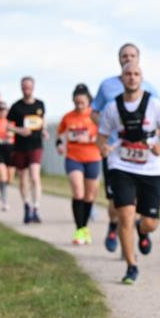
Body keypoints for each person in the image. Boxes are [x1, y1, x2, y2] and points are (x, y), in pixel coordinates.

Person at [97, 61, 160, 285]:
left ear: (141, 79)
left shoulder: (153, 105)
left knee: (150, 222)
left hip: (152, 167)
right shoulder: (112, 107)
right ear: (122, 79)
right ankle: (131, 266)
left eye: (136, 74)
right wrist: (103, 147)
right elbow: (102, 135)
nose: (132, 77)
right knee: (125, 214)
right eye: (128, 74)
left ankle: (142, 232)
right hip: (122, 166)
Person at [91, 43, 160, 254]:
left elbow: (158, 116)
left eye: (132, 55)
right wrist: (106, 132)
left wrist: (155, 141)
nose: (127, 58)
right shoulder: (107, 86)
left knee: (136, 200)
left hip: (140, 152)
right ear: (118, 59)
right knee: (115, 202)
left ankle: (141, 231)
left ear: (139, 58)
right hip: (115, 151)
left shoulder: (148, 86)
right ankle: (114, 226)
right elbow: (94, 111)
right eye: (124, 55)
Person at [57, 84, 101, 245]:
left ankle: (84, 228)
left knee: (90, 196)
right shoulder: (68, 117)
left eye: (82, 102)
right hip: (73, 157)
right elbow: (60, 134)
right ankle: (79, 229)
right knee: (78, 193)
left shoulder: (95, 117)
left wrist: (90, 139)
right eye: (76, 102)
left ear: (89, 101)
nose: (79, 105)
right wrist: (59, 144)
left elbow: (106, 135)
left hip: (93, 157)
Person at [7, 77, 47, 223]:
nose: (26, 90)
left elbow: (43, 121)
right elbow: (7, 125)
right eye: (24, 87)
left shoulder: (40, 104)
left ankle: (36, 208)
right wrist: (19, 130)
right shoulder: (16, 107)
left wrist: (44, 131)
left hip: (36, 145)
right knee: (23, 179)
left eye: (29, 87)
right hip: (20, 147)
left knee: (35, 177)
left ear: (33, 87)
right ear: (21, 88)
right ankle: (27, 205)